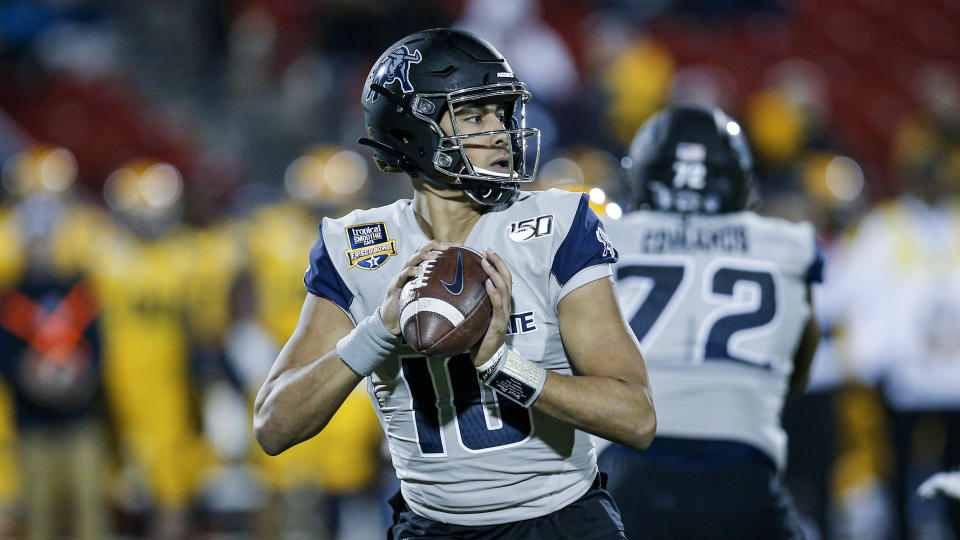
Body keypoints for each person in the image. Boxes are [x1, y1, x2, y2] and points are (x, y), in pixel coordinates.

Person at [253, 28, 656, 539]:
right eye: (473, 116)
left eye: (502, 114)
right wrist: (378, 333)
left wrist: (501, 367)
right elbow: (273, 425)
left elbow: (636, 417)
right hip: (431, 525)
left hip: (559, 519)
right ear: (411, 131)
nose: (500, 133)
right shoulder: (356, 244)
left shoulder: (554, 224)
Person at [598, 104, 822, 540]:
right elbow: (797, 370)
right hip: (743, 473)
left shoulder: (603, 237)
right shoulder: (787, 244)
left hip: (629, 464)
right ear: (739, 179)